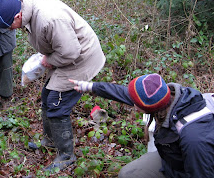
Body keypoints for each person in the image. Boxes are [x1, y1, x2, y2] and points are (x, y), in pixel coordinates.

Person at [0, 0, 106, 171]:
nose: (10, 30)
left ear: (17, 16)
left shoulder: (49, 19)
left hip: (81, 59)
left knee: (56, 103)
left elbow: (71, 52)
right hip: (65, 55)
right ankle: (50, 141)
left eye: (8, 26)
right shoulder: (26, 9)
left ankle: (66, 155)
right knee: (47, 95)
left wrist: (49, 61)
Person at [70, 73, 214, 178]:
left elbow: (201, 173)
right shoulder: (163, 97)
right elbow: (123, 93)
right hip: (172, 159)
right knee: (127, 174)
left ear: (150, 107)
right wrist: (89, 86)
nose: (134, 106)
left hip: (190, 167)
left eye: (136, 105)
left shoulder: (194, 138)